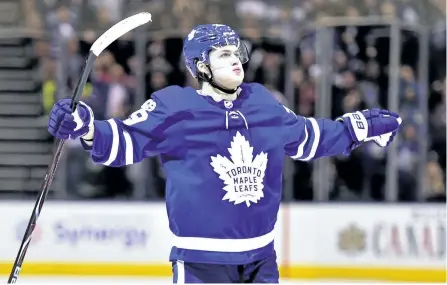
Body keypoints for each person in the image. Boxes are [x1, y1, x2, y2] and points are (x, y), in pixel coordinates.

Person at [48, 24, 401, 283]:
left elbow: (308, 137)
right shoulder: (175, 106)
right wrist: (85, 126)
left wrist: (358, 127)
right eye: (224, 54)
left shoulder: (261, 100)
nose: (236, 60)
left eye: (236, 52)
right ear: (201, 66)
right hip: (202, 265)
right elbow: (126, 139)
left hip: (261, 260)